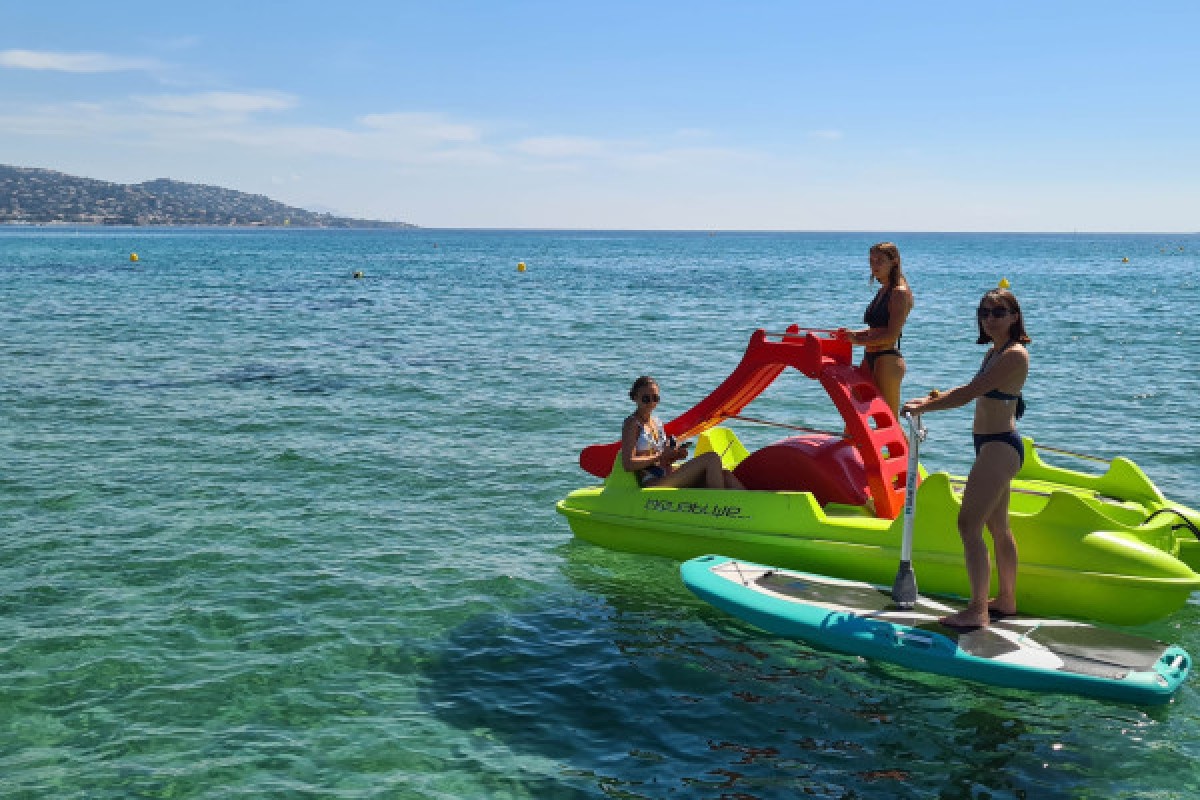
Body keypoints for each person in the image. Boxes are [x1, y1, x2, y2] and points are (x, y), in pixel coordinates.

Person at [901, 288, 1031, 629]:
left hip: (1000, 446)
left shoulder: (1014, 354)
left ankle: (977, 611)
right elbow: (970, 387)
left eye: (999, 312)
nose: (990, 319)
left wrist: (927, 407)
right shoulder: (994, 352)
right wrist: (927, 400)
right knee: (998, 526)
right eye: (984, 312)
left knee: (968, 525)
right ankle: (1006, 600)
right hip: (991, 445)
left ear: (1015, 316)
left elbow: (969, 394)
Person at [621, 376, 744, 489]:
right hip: (654, 481)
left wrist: (675, 455)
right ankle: (717, 502)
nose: (651, 402)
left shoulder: (656, 422)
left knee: (725, 475)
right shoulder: (632, 424)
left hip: (668, 474)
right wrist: (660, 456)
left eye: (655, 398)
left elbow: (662, 459)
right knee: (711, 458)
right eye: (646, 398)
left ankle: (746, 503)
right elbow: (628, 464)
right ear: (635, 398)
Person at [838, 242, 914, 418]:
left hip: (887, 360)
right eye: (871, 261)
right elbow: (877, 328)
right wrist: (852, 334)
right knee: (854, 418)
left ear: (894, 261)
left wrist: (857, 340)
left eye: (880, 260)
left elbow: (891, 335)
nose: (874, 265)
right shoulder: (884, 290)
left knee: (889, 419)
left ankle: (907, 439)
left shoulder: (899, 292)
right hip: (869, 357)